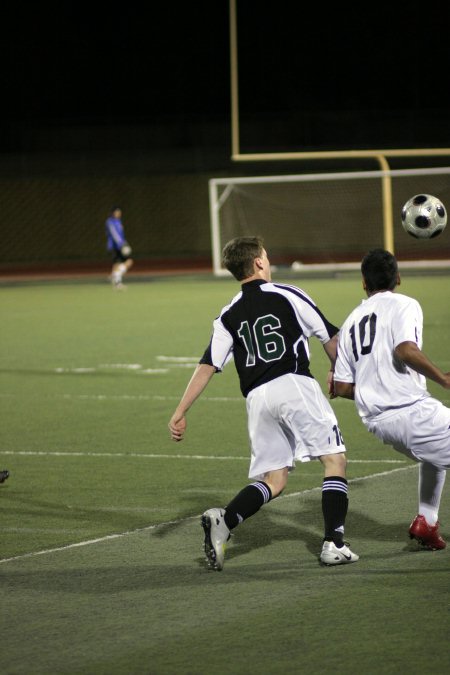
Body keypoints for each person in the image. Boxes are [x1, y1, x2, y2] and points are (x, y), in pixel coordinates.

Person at [168, 236, 358, 570]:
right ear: (257, 262)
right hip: (294, 385)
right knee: (334, 460)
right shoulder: (287, 293)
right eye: (266, 257)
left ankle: (225, 521)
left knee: (275, 479)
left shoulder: (227, 313)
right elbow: (330, 338)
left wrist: (180, 411)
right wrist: (339, 375)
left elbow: (208, 365)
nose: (268, 262)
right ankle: (334, 544)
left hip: (257, 399)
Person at [332, 248, 449, 551]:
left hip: (381, 423)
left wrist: (374, 389)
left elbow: (341, 386)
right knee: (433, 444)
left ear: (363, 283)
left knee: (432, 457)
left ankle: (426, 521)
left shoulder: (350, 323)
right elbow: (405, 350)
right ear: (398, 277)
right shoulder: (404, 303)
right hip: (411, 413)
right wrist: (444, 379)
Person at [105, 206, 133, 289]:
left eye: (119, 212)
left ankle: (117, 282)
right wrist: (121, 244)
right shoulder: (110, 222)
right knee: (129, 261)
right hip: (116, 246)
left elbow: (121, 235)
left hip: (120, 245)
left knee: (117, 264)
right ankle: (115, 277)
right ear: (113, 213)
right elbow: (114, 234)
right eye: (117, 212)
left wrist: (125, 242)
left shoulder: (118, 221)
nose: (119, 214)